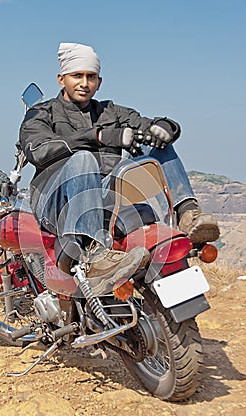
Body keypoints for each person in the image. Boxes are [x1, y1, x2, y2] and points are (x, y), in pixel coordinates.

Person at [19, 42, 219, 295]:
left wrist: (166, 128)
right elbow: (38, 149)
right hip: (58, 204)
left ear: (99, 82)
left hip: (109, 202)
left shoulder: (111, 111)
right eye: (76, 76)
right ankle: (93, 252)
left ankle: (188, 212)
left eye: (90, 77)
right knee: (83, 159)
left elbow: (147, 125)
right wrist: (99, 137)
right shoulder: (42, 113)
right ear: (61, 79)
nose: (84, 83)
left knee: (157, 146)